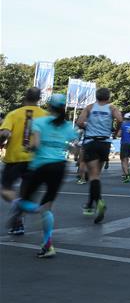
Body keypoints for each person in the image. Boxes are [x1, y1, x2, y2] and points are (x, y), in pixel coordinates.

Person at [8, 94, 78, 259]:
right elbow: (75, 148)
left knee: (23, 200)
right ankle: (48, 245)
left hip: (40, 166)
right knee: (48, 206)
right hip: (59, 167)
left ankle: (32, 209)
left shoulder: (39, 122)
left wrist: (29, 148)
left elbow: (35, 144)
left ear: (49, 107)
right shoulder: (68, 126)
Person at [0, 87, 46, 235]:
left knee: (6, 190)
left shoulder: (14, 114)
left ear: (24, 97)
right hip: (36, 160)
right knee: (26, 193)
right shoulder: (46, 116)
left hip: (15, 158)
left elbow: (5, 132)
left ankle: (18, 204)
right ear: (39, 99)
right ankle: (19, 221)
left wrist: (2, 139)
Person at [76, 87, 123, 223]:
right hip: (104, 143)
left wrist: (87, 126)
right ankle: (90, 204)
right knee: (96, 175)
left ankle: (99, 201)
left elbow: (79, 122)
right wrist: (114, 132)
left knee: (93, 176)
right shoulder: (112, 108)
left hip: (91, 142)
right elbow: (120, 120)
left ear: (96, 97)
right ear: (108, 97)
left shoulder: (90, 107)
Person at [118, 112, 130, 183]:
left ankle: (126, 175)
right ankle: (127, 172)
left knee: (123, 160)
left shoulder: (122, 125)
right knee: (127, 159)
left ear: (124, 118)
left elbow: (119, 135)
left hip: (124, 143)